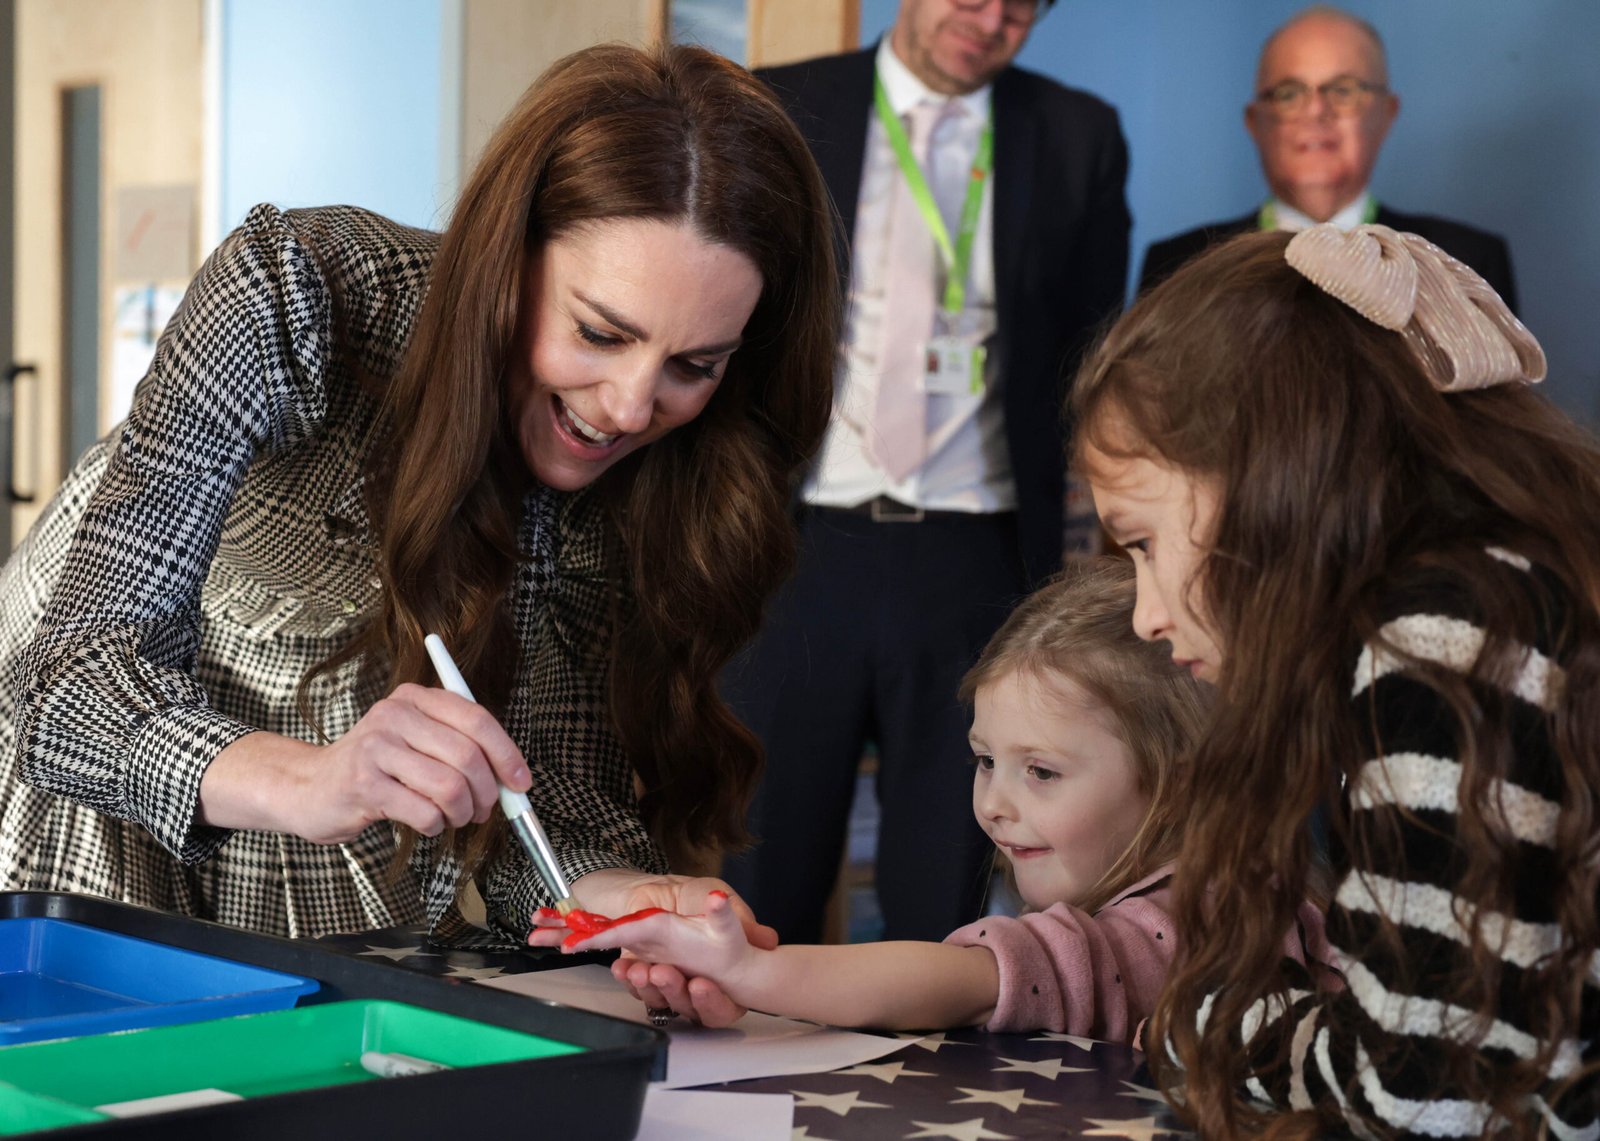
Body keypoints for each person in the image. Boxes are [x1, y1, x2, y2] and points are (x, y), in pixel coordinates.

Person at [0, 43, 839, 967]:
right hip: (75, 792)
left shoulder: (663, 466)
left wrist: (625, 904)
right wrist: (317, 776)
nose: (631, 408)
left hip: (319, 816)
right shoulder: (295, 292)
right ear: (505, 260)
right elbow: (72, 689)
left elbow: (545, 811)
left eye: (695, 365)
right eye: (600, 332)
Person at [1076, 224, 1599, 1137]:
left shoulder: (1442, 644)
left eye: (1145, 543)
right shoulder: (1513, 586)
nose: (1145, 614)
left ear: (1269, 475)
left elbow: (1422, 1086)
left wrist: (1211, 1028)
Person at [722, 0, 1132, 946]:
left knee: (941, 874)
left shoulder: (1077, 135)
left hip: (975, 558)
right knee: (762, 864)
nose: (988, 20)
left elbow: (1090, 353)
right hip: (800, 546)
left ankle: (919, 1083)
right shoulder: (784, 106)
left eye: (1019, 7)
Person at [535, 559, 1242, 1037]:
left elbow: (972, 975)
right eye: (985, 760)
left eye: (1042, 772)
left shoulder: (1192, 929)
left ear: (1179, 780)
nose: (995, 802)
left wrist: (752, 970)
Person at [1138, 5, 1519, 311]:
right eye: (1289, 93)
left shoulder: (1464, 264)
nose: (1317, 111)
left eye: (1344, 90)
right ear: (1256, 123)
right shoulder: (1179, 267)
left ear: (1386, 115)